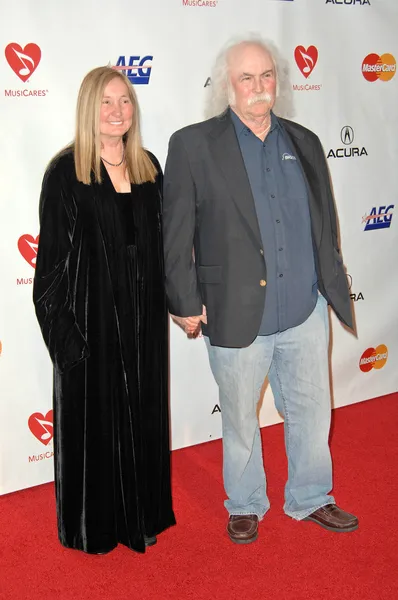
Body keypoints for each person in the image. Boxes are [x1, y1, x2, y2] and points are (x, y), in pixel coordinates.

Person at [163, 37, 358, 545]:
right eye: (246, 77)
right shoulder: (193, 144)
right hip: (234, 311)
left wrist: (330, 288)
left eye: (266, 75)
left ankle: (312, 496)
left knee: (312, 412)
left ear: (278, 81)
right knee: (241, 422)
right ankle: (245, 502)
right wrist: (183, 301)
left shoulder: (305, 141)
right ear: (228, 86)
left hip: (304, 310)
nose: (258, 87)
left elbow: (324, 223)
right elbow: (176, 232)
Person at [33, 66, 175, 554]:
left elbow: (164, 250)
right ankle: (98, 526)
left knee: (145, 417)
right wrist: (69, 347)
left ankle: (143, 515)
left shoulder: (149, 167)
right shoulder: (66, 173)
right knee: (99, 431)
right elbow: (48, 272)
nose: (118, 112)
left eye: (125, 101)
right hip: (91, 329)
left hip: (145, 327)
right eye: (107, 102)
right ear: (88, 110)